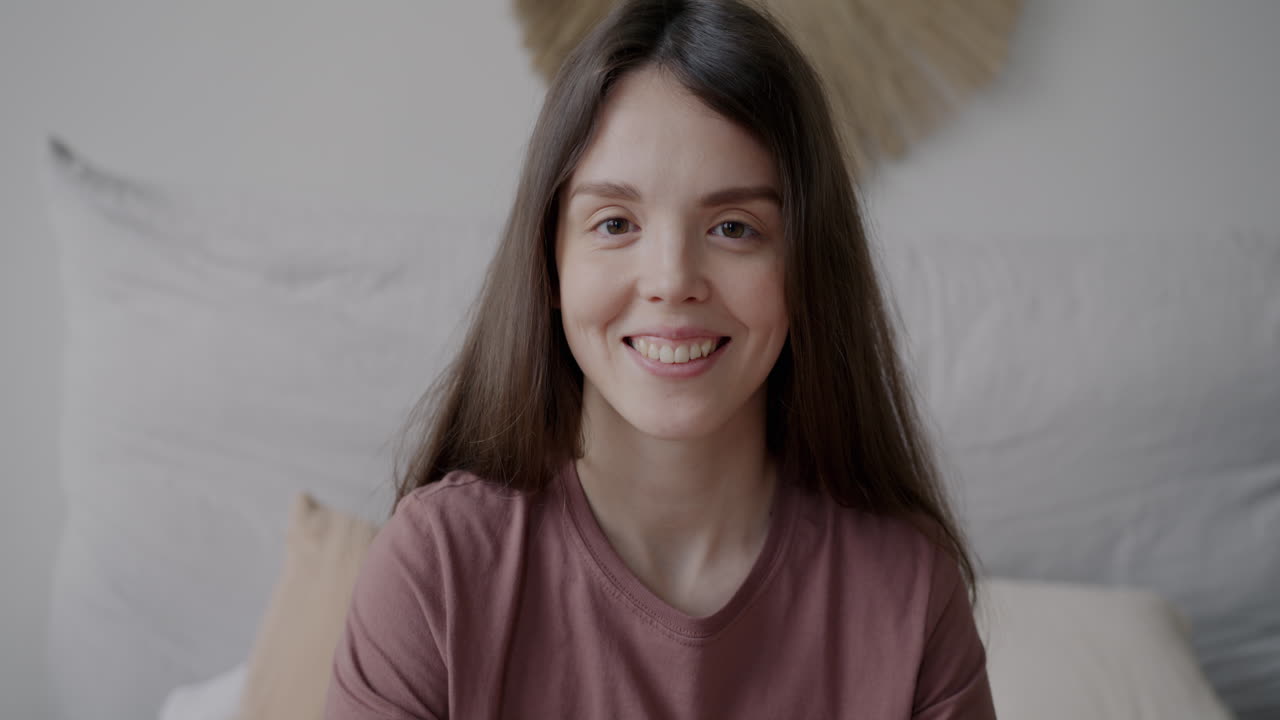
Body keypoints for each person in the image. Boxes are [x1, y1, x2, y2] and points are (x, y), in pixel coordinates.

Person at [325, 0, 996, 717]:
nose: (672, 279)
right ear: (549, 264)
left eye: (734, 227)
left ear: (807, 270)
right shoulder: (435, 570)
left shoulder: (909, 589)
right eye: (615, 223)